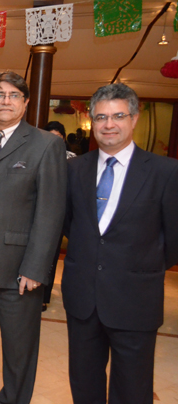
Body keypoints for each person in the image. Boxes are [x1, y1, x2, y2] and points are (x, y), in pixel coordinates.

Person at [62, 83, 178, 404]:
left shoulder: (166, 172)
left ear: (134, 118)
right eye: (101, 117)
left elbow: (173, 239)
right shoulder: (73, 169)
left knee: (132, 390)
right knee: (84, 385)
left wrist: (141, 266)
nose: (108, 124)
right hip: (83, 299)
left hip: (135, 301)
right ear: (92, 121)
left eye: (118, 116)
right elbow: (71, 224)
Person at [0, 71, 67, 404]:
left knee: (18, 353)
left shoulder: (46, 144)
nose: (5, 101)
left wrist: (36, 268)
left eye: (14, 95)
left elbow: (51, 212)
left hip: (18, 271)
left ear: (26, 101)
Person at [41, 120, 76, 311]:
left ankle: (43, 296)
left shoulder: (71, 159)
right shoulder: (36, 153)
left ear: (63, 139)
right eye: (50, 136)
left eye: (58, 137)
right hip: (37, 211)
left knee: (51, 255)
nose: (54, 140)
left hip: (59, 213)